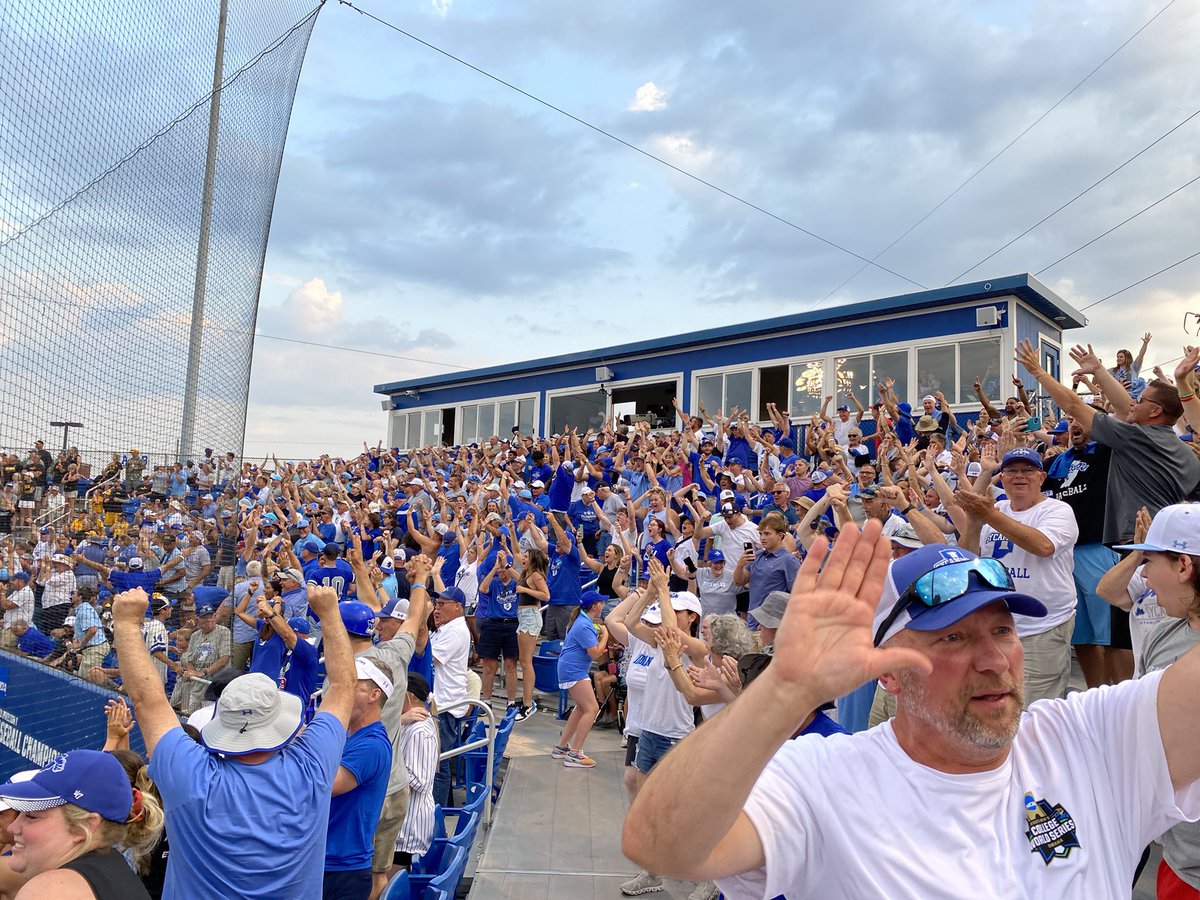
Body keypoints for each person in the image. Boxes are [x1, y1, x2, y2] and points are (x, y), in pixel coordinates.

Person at [623, 519, 1200, 897]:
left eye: (1002, 629)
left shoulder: (1091, 743)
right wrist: (784, 689)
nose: (994, 659)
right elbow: (661, 844)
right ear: (889, 672)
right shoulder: (824, 778)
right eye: (952, 637)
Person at [112, 584, 356, 899]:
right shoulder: (312, 767)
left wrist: (127, 623)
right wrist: (329, 613)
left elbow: (147, 700)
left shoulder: (191, 774)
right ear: (279, 721)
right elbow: (344, 685)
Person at [1017, 339, 1200, 544]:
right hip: (1167, 542)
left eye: (1140, 400)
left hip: (1137, 543)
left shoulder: (1135, 437)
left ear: (1156, 411)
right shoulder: (1187, 455)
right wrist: (1098, 369)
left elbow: (1074, 406)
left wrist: (1038, 372)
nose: (1133, 403)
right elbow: (1124, 405)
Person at [1111, 503, 1200, 894]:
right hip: (1179, 857)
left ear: (1183, 566)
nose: (1144, 574)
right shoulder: (1165, 632)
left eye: (1149, 560)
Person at [955, 447, 1079, 704]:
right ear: (1002, 477)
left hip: (1042, 626)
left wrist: (989, 515)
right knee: (999, 703)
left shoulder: (1058, 510)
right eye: (1011, 470)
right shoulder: (998, 508)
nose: (1019, 476)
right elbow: (967, 556)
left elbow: (1043, 546)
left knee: (1037, 709)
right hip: (997, 627)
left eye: (1028, 470)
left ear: (1042, 477)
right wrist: (976, 523)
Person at [0, 749, 164, 900]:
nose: (12, 827)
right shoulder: (120, 877)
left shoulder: (50, 891)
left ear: (84, 827)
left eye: (31, 816)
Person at [324, 657, 394, 900]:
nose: (342, 690)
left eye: (353, 684)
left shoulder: (370, 746)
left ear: (374, 695)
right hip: (331, 864)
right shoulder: (350, 736)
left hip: (341, 871)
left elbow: (324, 784)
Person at [552, 591, 609, 769]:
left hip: (571, 668)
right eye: (601, 602)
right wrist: (605, 636)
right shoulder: (584, 625)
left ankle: (562, 747)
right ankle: (575, 753)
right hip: (573, 670)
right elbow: (595, 653)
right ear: (595, 606)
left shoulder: (582, 621)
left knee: (581, 708)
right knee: (592, 709)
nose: (604, 605)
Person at [429, 585, 471, 807]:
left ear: (457, 608)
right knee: (439, 761)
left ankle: (437, 814)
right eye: (437, 604)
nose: (438, 608)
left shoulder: (455, 630)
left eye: (442, 604)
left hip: (445, 705)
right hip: (444, 702)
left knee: (438, 763)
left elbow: (430, 659)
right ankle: (443, 809)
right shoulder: (448, 627)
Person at [393, 673, 439, 871]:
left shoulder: (419, 730)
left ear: (408, 696)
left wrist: (386, 770)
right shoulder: (410, 723)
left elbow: (420, 781)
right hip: (405, 820)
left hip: (409, 826)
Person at [475, 552, 521, 712]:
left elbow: (524, 582)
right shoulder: (494, 583)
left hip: (512, 624)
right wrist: (496, 566)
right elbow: (482, 588)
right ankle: (486, 701)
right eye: (499, 571)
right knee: (489, 666)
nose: (501, 573)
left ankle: (511, 702)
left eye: (503, 570)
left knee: (510, 665)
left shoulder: (516, 582)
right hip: (493, 623)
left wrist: (507, 565)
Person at [514, 548, 550, 721]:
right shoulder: (525, 573)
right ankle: (526, 702)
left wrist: (526, 591)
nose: (523, 558)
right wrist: (505, 566)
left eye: (526, 556)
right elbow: (520, 583)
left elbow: (546, 595)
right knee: (523, 661)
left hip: (531, 616)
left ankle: (528, 704)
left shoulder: (536, 575)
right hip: (523, 615)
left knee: (526, 662)